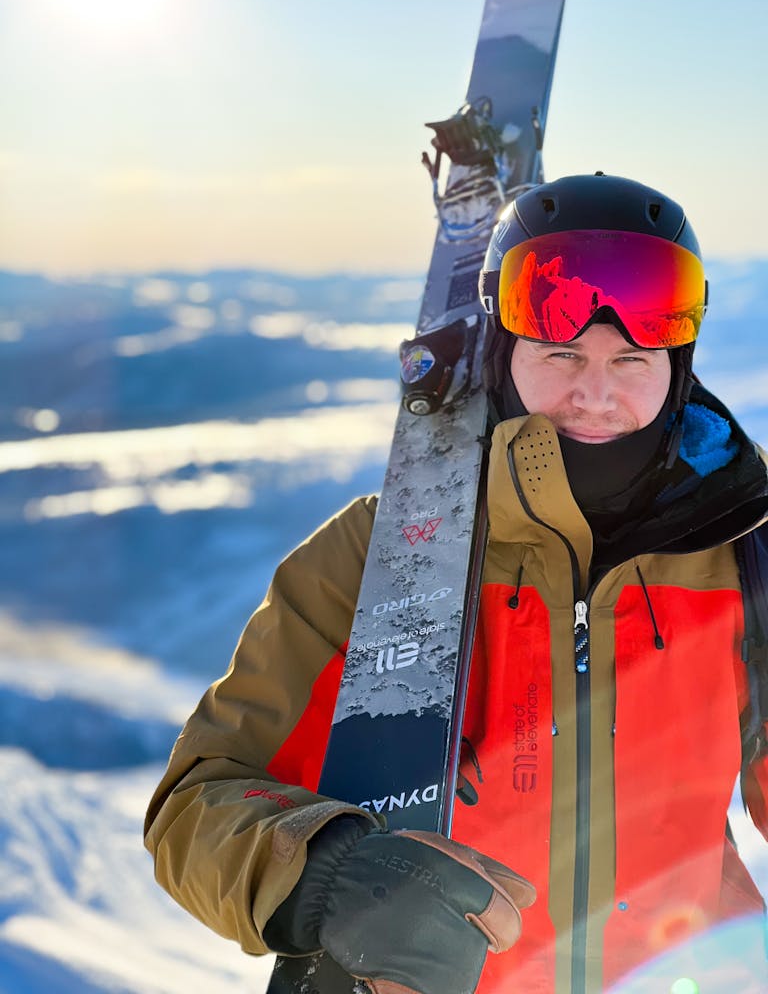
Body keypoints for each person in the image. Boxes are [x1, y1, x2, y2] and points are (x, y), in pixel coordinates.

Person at [144, 173, 768, 993]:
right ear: (504, 356)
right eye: (561, 354)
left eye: (631, 360)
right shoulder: (378, 558)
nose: (596, 393)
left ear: (675, 365)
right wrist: (327, 878)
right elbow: (196, 804)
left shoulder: (744, 558)